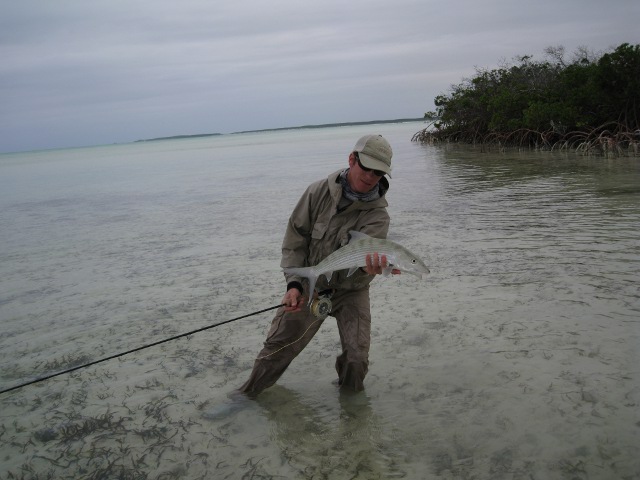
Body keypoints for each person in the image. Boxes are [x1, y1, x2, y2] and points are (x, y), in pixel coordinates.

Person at [238, 134, 398, 397]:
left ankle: (353, 415)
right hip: (308, 286)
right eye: (366, 167)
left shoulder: (378, 216)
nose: (371, 176)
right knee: (277, 347)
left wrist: (367, 269)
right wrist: (293, 284)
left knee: (357, 359)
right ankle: (245, 398)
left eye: (379, 173)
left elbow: (365, 262)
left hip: (352, 291)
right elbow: (295, 239)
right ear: (351, 159)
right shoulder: (316, 192)